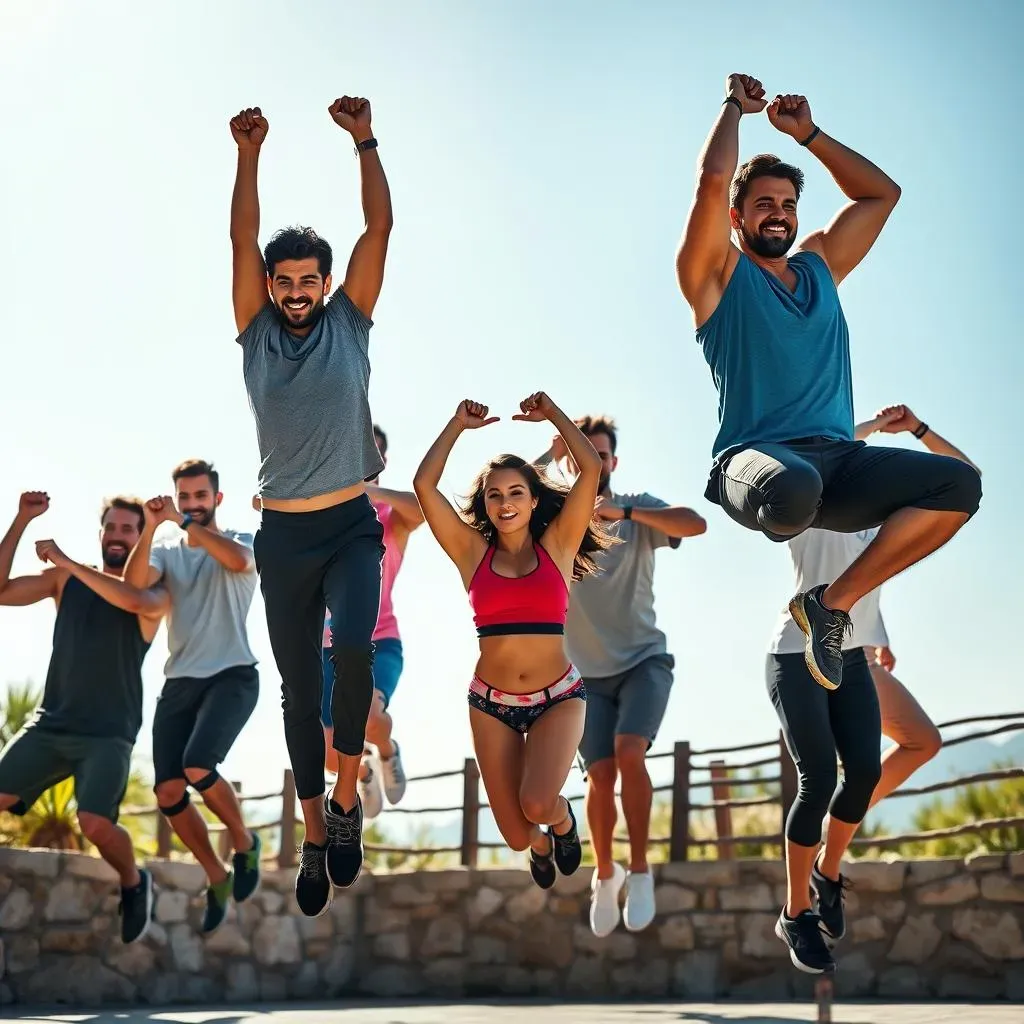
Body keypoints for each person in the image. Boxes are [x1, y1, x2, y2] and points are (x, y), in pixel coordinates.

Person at [675, 73, 981, 695]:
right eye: (763, 204)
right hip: (755, 463)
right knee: (793, 490)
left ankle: (830, 605)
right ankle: (806, 542)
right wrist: (735, 109)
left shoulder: (819, 267)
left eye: (788, 205)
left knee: (959, 485)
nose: (779, 215)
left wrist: (809, 135)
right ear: (735, 218)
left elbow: (881, 195)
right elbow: (711, 183)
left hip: (836, 460)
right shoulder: (713, 276)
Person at [229, 96, 392, 917]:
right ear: (270, 285)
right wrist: (249, 155)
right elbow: (237, 240)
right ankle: (314, 835)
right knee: (298, 688)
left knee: (354, 651)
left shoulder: (350, 324)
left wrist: (364, 142)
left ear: (326, 285)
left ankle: (348, 797)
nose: (296, 292)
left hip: (349, 526)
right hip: (282, 537)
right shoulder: (256, 331)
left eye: (308, 281)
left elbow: (378, 231)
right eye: (284, 281)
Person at [767, 403, 979, 972]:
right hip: (796, 651)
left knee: (861, 771)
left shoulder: (885, 521)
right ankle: (796, 913)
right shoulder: (811, 504)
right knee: (817, 777)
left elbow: (963, 482)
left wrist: (917, 431)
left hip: (854, 655)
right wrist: (861, 431)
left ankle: (828, 868)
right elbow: (815, 455)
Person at [413, 393, 610, 888]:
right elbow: (423, 485)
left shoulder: (559, 544)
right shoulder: (470, 553)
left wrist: (555, 416)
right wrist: (457, 424)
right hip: (490, 704)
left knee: (539, 803)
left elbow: (587, 471)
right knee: (519, 836)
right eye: (495, 495)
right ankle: (541, 844)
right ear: (485, 503)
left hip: (557, 699)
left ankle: (562, 822)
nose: (505, 503)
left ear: (534, 499)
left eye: (516, 492)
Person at [537, 415, 706, 936]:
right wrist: (548, 457)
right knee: (601, 774)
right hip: (584, 677)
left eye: (603, 453)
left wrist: (623, 510)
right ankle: (604, 873)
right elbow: (511, 500)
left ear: (614, 461)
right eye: (584, 453)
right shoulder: (556, 520)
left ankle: (640, 869)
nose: (597, 460)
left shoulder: (637, 511)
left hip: (642, 662)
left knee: (631, 753)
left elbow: (694, 523)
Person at [0, 492, 167, 943]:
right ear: (101, 534)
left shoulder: (154, 594)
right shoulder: (63, 580)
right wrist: (21, 520)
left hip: (108, 734)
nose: (117, 537)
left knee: (94, 824)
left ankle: (134, 881)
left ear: (140, 538)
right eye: (111, 528)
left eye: (128, 529)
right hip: (51, 724)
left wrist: (67, 561)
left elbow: (132, 602)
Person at [123, 459, 262, 933]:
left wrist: (181, 523)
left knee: (198, 766)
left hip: (233, 676)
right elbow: (135, 584)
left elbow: (240, 563)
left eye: (199, 497)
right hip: (180, 681)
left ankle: (244, 843)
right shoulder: (166, 550)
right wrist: (149, 528)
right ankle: (215, 873)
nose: (191, 505)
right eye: (184, 497)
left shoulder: (241, 541)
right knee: (167, 791)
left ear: (216, 499)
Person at [322, 424, 423, 819]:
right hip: (328, 645)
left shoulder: (389, 516)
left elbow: (421, 507)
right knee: (328, 749)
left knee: (369, 714)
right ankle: (362, 772)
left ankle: (386, 751)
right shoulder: (322, 516)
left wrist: (365, 490)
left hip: (381, 639)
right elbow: (263, 504)